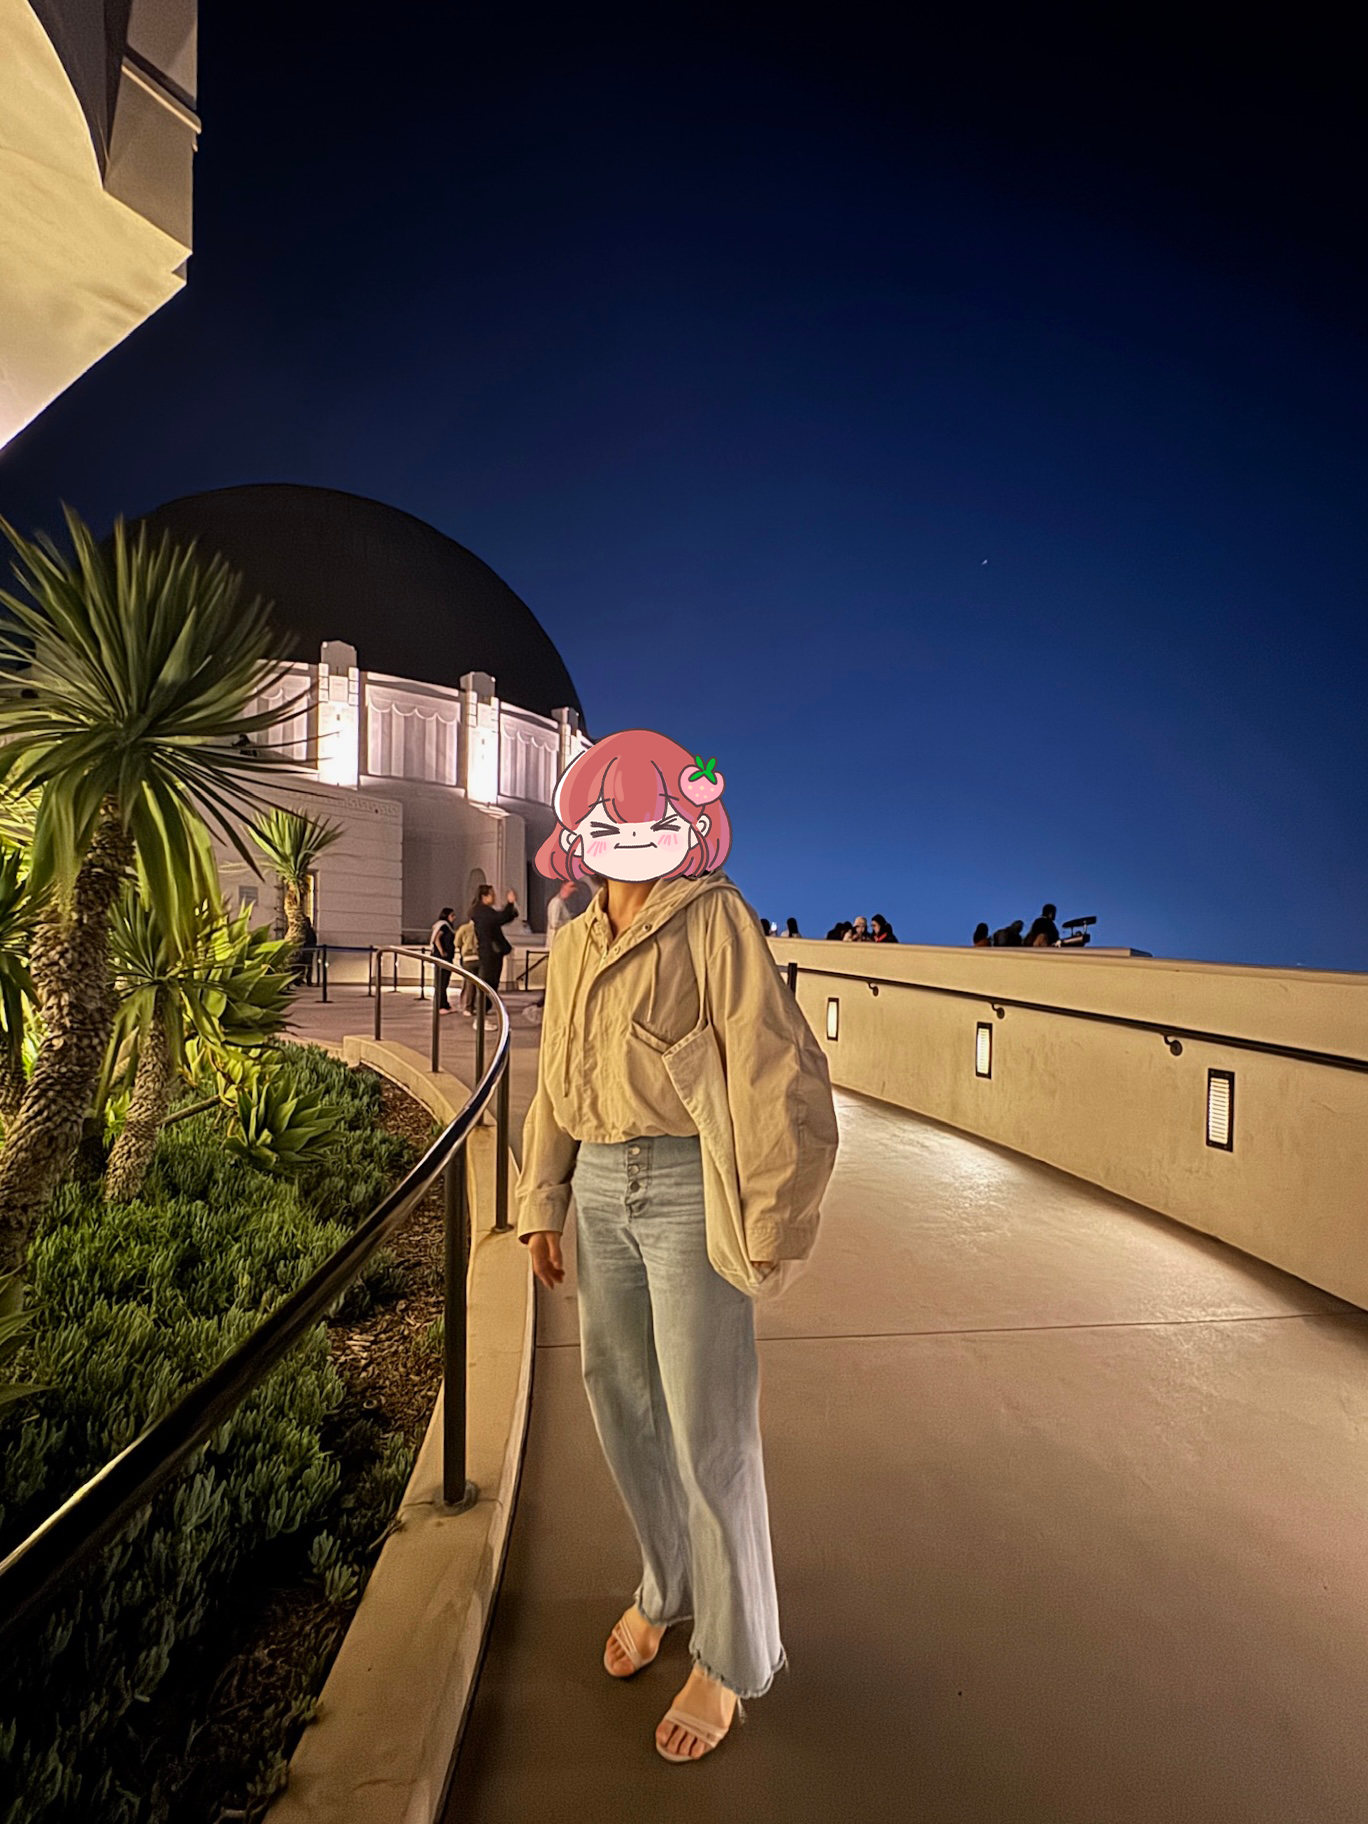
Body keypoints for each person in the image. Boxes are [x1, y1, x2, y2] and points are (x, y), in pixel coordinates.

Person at [518, 727, 838, 1765]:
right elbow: (557, 1076)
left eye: (650, 819)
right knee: (620, 1403)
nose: (628, 837)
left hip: (687, 1185)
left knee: (709, 1426)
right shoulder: (573, 939)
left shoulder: (713, 918)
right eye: (608, 819)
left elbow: (771, 1063)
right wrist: (543, 1196)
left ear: (686, 826)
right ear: (579, 829)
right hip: (599, 1186)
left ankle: (733, 1657)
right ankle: (667, 1586)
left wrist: (773, 1215)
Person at [470, 883, 519, 1020]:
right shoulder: (482, 912)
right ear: (484, 896)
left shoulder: (483, 911)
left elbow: (502, 918)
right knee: (489, 982)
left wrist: (511, 907)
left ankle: (484, 1009)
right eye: (492, 894)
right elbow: (500, 918)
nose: (494, 897)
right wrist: (510, 903)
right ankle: (481, 1013)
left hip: (492, 951)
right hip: (490, 952)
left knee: (492, 982)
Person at [429, 906, 457, 1010]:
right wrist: (442, 951)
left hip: (446, 957)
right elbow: (437, 938)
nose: (454, 917)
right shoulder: (443, 926)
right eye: (452, 915)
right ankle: (441, 1005)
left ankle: (444, 1003)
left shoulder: (446, 926)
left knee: (443, 981)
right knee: (442, 981)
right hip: (442, 958)